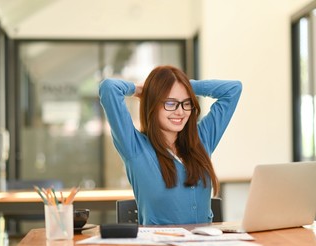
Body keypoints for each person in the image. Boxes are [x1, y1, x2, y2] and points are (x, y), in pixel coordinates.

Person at [99, 65, 242, 225]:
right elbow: (109, 88)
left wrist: (184, 86)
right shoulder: (135, 147)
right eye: (170, 103)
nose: (180, 112)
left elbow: (233, 89)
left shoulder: (201, 140)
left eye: (186, 103)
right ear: (153, 104)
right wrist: (140, 89)